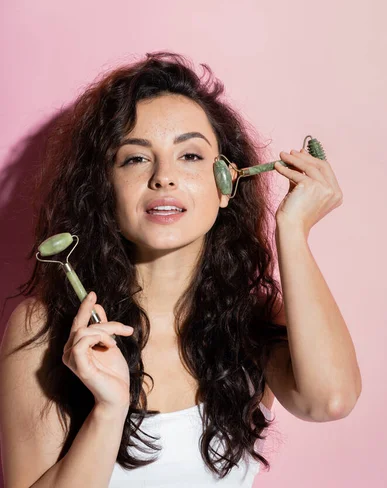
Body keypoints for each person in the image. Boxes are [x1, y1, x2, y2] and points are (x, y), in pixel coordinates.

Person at [0, 51, 359, 488]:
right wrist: (108, 412)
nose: (163, 177)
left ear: (227, 182)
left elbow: (330, 401)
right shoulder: (44, 329)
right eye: (135, 159)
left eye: (189, 156)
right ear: (105, 190)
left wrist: (292, 229)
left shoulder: (255, 318)